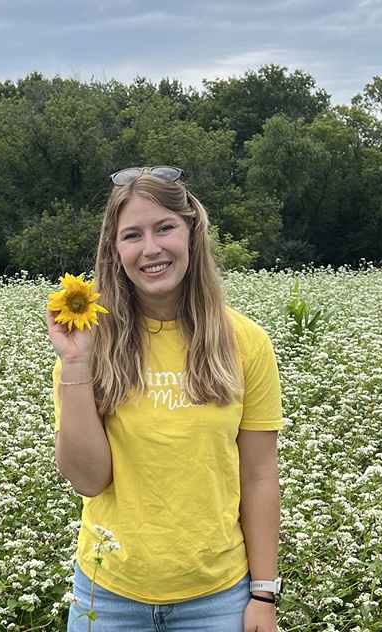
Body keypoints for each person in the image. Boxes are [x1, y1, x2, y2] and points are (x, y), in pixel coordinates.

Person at [45, 166, 283, 632]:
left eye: (165, 228)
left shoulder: (245, 342)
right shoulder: (88, 342)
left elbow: (258, 475)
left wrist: (263, 593)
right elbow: (88, 480)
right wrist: (75, 365)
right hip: (108, 596)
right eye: (132, 235)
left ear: (192, 234)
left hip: (220, 598)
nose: (150, 249)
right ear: (115, 253)